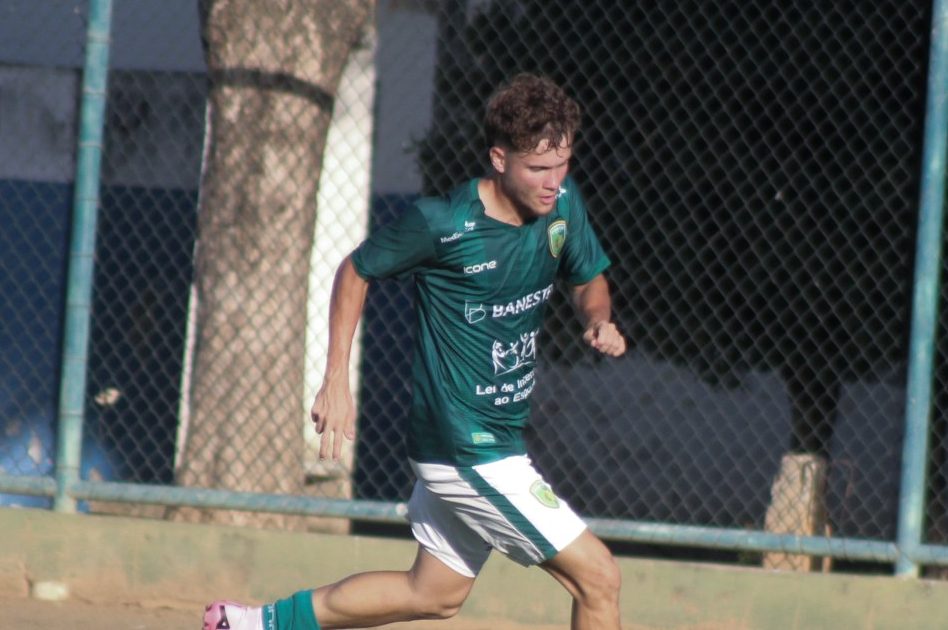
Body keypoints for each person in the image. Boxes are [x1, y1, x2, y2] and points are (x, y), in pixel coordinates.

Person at [204, 73, 630, 630]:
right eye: (538, 168)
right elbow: (356, 269)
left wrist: (598, 318)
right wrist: (335, 378)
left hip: (495, 436)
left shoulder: (562, 204)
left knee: (432, 594)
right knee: (599, 578)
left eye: (562, 164)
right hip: (465, 446)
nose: (553, 181)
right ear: (499, 159)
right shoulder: (443, 224)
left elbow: (587, 277)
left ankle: (251, 624)